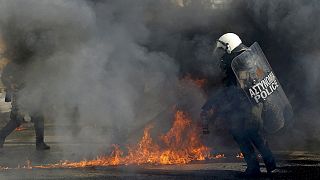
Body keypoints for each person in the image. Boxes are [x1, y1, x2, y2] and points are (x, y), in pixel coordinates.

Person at [201, 33, 276, 176]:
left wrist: (215, 102)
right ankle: (270, 164)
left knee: (241, 135)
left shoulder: (239, 62)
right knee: (255, 135)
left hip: (244, 107)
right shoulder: (249, 55)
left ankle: (254, 169)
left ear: (229, 47)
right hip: (252, 105)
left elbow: (239, 88)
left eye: (223, 50)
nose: (221, 54)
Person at [0, 61, 50, 150]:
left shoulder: (28, 63)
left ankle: (40, 143)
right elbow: (4, 77)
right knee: (17, 119)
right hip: (20, 94)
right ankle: (40, 143)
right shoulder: (13, 64)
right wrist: (11, 85)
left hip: (30, 93)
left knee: (37, 118)